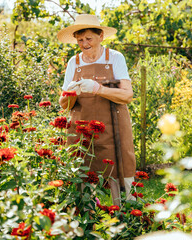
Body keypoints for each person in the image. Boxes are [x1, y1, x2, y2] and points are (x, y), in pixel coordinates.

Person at [57, 14, 136, 206]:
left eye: (88, 38)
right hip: (82, 130)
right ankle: (87, 220)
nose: (84, 44)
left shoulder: (115, 58)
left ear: (100, 36)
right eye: (80, 40)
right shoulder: (73, 63)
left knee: (120, 170)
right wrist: (71, 93)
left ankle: (127, 218)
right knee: (83, 175)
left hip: (114, 128)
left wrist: (98, 89)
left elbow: (127, 95)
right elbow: (63, 103)